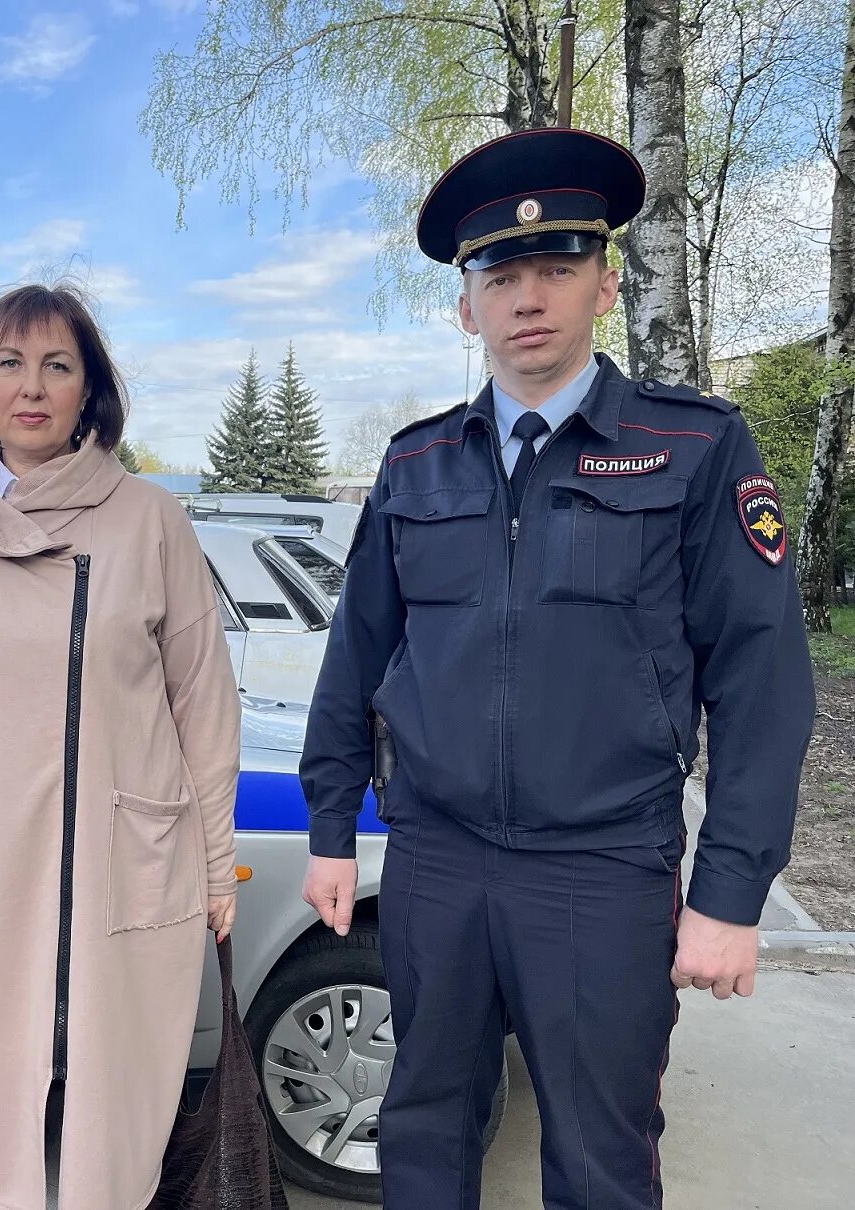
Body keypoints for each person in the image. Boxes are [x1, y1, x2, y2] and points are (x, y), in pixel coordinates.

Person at [299, 128, 817, 1209]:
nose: (527, 296)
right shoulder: (414, 463)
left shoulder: (692, 449)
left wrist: (726, 892)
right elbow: (355, 655)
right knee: (424, 1126)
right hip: (435, 862)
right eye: (500, 275)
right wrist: (330, 830)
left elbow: (761, 680)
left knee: (598, 1155)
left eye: (556, 268)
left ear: (603, 284)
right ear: (465, 306)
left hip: (601, 869)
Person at [0, 283, 242, 1210]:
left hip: (124, 881)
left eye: (56, 366)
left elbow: (202, 702)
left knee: (108, 1148)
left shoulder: (151, 521)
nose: (31, 387)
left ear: (89, 390)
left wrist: (214, 860)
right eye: (9, 363)